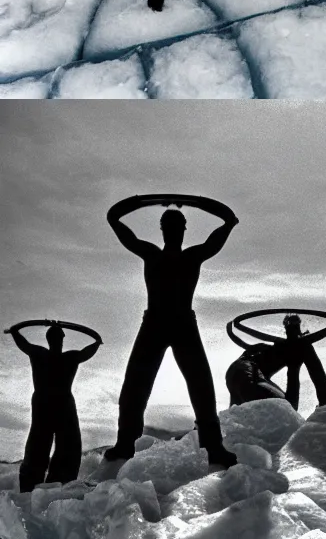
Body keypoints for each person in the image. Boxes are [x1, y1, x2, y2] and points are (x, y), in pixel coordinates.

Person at [104, 196, 240, 469]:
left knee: (201, 387)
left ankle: (213, 447)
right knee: (134, 387)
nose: (174, 230)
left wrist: (187, 201)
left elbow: (229, 221)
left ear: (183, 230)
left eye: (177, 225)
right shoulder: (152, 253)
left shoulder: (191, 256)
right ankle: (124, 444)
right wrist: (153, 201)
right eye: (169, 224)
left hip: (181, 324)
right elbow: (114, 219)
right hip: (155, 323)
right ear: (163, 230)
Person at [7, 321, 102, 491]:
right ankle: (35, 486)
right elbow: (87, 352)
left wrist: (16, 332)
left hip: (56, 403)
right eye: (58, 338)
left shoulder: (46, 354)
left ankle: (56, 484)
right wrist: (96, 342)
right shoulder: (58, 356)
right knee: (41, 444)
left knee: (65, 444)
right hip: (52, 403)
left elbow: (24, 344)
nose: (58, 341)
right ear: (59, 339)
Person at [225, 313, 326, 409]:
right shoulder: (297, 346)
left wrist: (231, 332)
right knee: (289, 408)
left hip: (234, 373)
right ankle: (323, 395)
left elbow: (245, 345)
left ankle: (323, 395)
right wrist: (294, 368)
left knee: (239, 413)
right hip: (248, 373)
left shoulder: (269, 347)